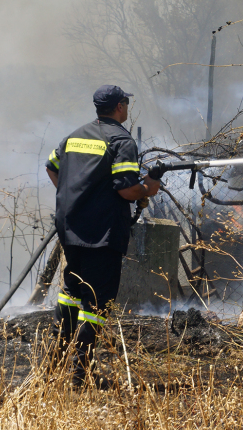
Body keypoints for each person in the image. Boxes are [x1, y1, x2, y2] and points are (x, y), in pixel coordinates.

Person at [45, 84, 161, 386]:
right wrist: (149, 186)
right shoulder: (122, 140)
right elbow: (126, 189)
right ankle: (81, 374)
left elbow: (51, 166)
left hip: (70, 229)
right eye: (126, 103)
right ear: (120, 107)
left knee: (72, 290)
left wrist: (73, 196)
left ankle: (54, 363)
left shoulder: (75, 135)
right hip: (102, 233)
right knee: (96, 303)